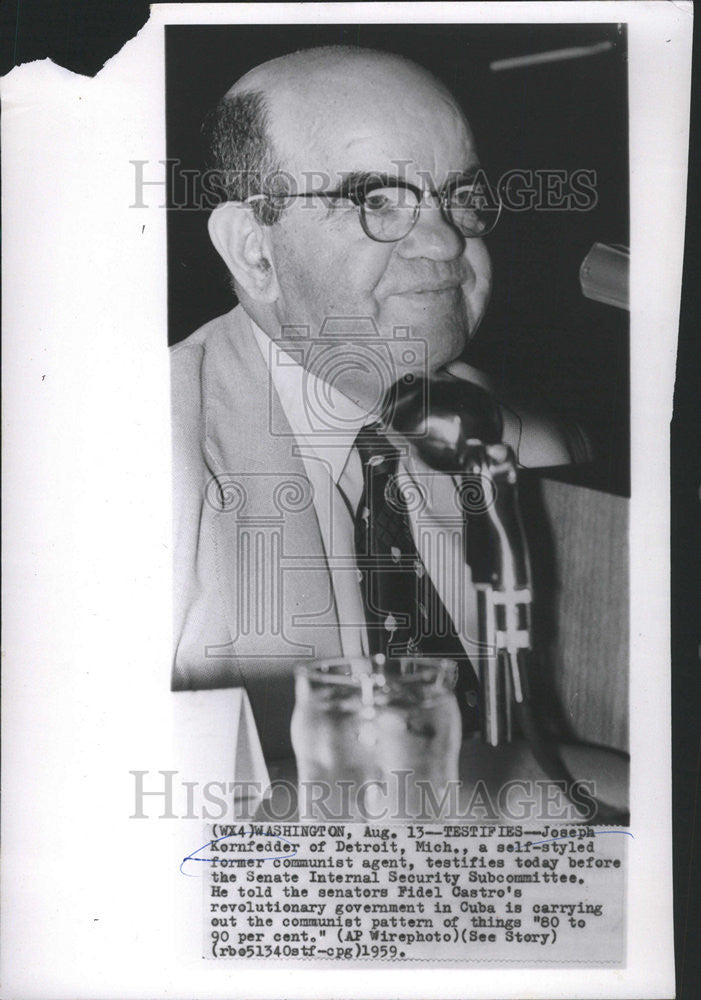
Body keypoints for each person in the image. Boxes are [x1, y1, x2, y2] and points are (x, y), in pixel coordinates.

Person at [171, 45, 585, 761]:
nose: (443, 240)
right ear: (254, 252)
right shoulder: (124, 451)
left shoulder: (528, 445)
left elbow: (550, 748)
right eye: (375, 202)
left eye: (458, 194)